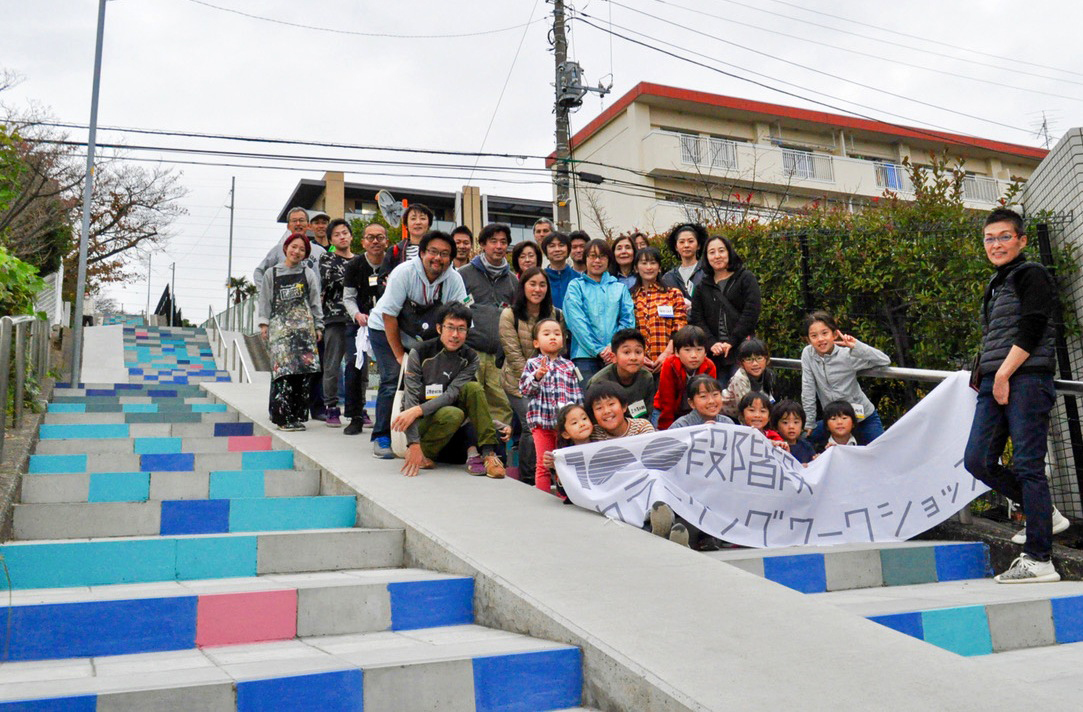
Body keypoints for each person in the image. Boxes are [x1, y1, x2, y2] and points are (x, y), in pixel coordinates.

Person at [964, 207, 1067, 583]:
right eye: (989, 238)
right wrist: (989, 375)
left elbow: (1034, 325)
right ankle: (1044, 513)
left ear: (1021, 240)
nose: (996, 244)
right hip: (995, 381)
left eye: (1004, 236)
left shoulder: (1032, 273)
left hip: (1025, 379)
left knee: (1027, 465)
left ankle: (1039, 560)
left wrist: (1005, 372)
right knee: (977, 460)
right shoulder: (997, 283)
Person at [368, 231, 468, 459]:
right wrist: (399, 356)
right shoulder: (404, 273)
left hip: (422, 335)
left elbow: (461, 315)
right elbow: (389, 316)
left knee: (431, 379)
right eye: (433, 251)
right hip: (385, 329)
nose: (438, 258)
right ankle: (382, 436)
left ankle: (418, 437)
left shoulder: (454, 279)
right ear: (422, 252)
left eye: (444, 254)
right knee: (394, 377)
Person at [392, 303, 506, 479]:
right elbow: (410, 399)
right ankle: (422, 452)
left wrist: (498, 424)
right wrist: (413, 442)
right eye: (450, 327)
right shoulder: (420, 352)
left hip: (449, 420)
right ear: (439, 328)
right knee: (451, 413)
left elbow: (452, 394)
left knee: (473, 388)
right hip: (421, 423)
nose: (455, 335)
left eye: (461, 329)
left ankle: (489, 454)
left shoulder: (470, 358)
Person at [499, 267, 565, 486]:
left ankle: (553, 476)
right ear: (523, 286)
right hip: (518, 383)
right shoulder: (510, 314)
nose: (537, 289)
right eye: (532, 284)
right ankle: (528, 479)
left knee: (556, 426)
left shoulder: (555, 314)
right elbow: (514, 355)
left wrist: (549, 379)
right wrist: (533, 378)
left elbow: (558, 349)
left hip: (550, 382)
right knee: (531, 424)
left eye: (542, 285)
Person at [257, 233, 323, 431]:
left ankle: (296, 415)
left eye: (302, 250)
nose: (297, 252)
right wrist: (264, 324)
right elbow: (264, 300)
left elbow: (315, 301)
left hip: (304, 331)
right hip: (280, 331)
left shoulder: (308, 274)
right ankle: (281, 417)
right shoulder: (272, 273)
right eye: (294, 247)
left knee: (302, 374)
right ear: (286, 247)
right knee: (283, 373)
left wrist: (318, 326)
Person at [458, 223, 517, 428]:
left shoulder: (512, 280)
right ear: (483, 244)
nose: (498, 246)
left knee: (501, 403)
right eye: (493, 241)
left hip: (499, 355)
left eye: (503, 242)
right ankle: (471, 450)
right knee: (467, 401)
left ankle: (497, 452)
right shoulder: (463, 274)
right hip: (470, 350)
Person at [801, 311, 890, 446]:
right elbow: (808, 389)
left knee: (881, 450)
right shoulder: (808, 354)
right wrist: (809, 422)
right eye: (814, 336)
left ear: (835, 334)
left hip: (863, 418)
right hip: (833, 420)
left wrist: (856, 346)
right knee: (801, 441)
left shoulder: (847, 354)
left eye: (825, 333)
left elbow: (884, 360)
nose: (820, 339)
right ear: (808, 339)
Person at [519, 318, 582, 494]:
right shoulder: (532, 364)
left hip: (564, 426)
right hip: (542, 423)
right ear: (536, 342)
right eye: (546, 334)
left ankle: (566, 496)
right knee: (543, 463)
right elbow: (524, 389)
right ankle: (543, 496)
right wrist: (537, 376)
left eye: (557, 333)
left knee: (564, 463)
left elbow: (576, 393)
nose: (552, 337)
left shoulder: (569, 365)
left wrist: (578, 416)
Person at [689, 235, 761, 384]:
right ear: (706, 257)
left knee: (744, 396)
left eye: (721, 251)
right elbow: (697, 318)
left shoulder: (745, 278)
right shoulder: (702, 286)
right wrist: (711, 343)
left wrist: (732, 340)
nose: (717, 256)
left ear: (729, 252)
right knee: (717, 397)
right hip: (714, 355)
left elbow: (751, 312)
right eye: (712, 252)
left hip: (742, 350)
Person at [563, 239, 635, 386]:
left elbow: (627, 321)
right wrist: (599, 349)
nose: (597, 260)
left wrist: (612, 347)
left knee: (615, 400)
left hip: (616, 355)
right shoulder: (575, 286)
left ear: (609, 259)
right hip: (584, 356)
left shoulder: (619, 288)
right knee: (588, 400)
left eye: (602, 256)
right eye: (592, 256)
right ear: (585, 259)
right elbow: (576, 322)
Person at [341, 221, 388, 435]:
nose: (375, 241)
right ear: (363, 242)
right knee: (353, 365)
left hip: (388, 323)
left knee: (391, 369)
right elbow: (348, 298)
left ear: (386, 241)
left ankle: (389, 417)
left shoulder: (394, 264)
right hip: (360, 323)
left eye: (380, 237)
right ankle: (355, 416)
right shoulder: (354, 266)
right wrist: (357, 315)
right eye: (371, 237)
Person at [317, 218, 355, 427]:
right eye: (337, 234)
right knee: (332, 364)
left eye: (345, 233)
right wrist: (357, 279)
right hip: (335, 317)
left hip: (358, 319)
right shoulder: (327, 258)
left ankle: (355, 409)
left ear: (351, 235)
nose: (342, 237)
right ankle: (331, 407)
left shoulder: (360, 259)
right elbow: (331, 280)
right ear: (331, 239)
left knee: (357, 366)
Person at [631, 246, 687, 372]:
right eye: (644, 263)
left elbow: (680, 327)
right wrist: (639, 357)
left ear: (659, 267)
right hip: (638, 364)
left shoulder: (673, 294)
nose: (649, 267)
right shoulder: (630, 297)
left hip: (669, 361)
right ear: (636, 268)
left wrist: (667, 353)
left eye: (653, 263)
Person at [654, 325, 717, 430]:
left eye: (699, 349)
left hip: (695, 411)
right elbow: (667, 399)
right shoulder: (669, 364)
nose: (694, 355)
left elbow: (709, 397)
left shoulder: (709, 366)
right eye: (687, 350)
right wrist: (665, 429)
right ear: (677, 352)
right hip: (665, 411)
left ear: (706, 352)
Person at [588, 329, 656, 422]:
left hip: (638, 428)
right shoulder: (599, 382)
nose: (633, 358)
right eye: (626, 352)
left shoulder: (646, 378)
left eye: (638, 352)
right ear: (613, 357)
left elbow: (648, 414)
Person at [253, 206, 325, 292]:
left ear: (308, 225)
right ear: (288, 226)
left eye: (301, 220)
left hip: (312, 303)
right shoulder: (278, 249)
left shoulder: (320, 251)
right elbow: (259, 272)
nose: (298, 223)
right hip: (284, 302)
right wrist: (265, 293)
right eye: (294, 221)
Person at [721, 339, 777, 419]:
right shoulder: (740, 378)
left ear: (766, 359)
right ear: (741, 363)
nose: (755, 364)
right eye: (749, 359)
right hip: (729, 416)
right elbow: (744, 410)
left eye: (759, 358)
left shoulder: (769, 375)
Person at [587, 381, 655, 441]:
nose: (606, 411)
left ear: (624, 406)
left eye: (611, 404)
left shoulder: (641, 428)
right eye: (599, 408)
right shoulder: (592, 433)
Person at [380, 203, 435, 277]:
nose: (418, 222)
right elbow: (382, 280)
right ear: (406, 224)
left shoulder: (437, 251)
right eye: (413, 218)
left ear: (429, 224)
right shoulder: (395, 251)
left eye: (422, 218)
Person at [670, 375, 735, 429]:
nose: (711, 401)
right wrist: (700, 432)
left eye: (715, 394)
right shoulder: (680, 426)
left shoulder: (727, 422)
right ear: (691, 403)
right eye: (703, 396)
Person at [661, 223, 706, 299]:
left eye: (691, 241)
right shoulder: (668, 278)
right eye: (682, 242)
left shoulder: (707, 272)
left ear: (698, 245)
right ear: (676, 247)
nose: (686, 245)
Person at [771, 400, 815, 464]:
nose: (791, 426)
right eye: (785, 422)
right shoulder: (774, 446)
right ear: (776, 427)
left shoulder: (807, 447)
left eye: (796, 422)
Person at [541, 231, 578, 309]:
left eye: (561, 245)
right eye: (552, 246)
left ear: (568, 250)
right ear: (546, 252)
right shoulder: (541, 278)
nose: (557, 249)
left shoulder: (578, 278)